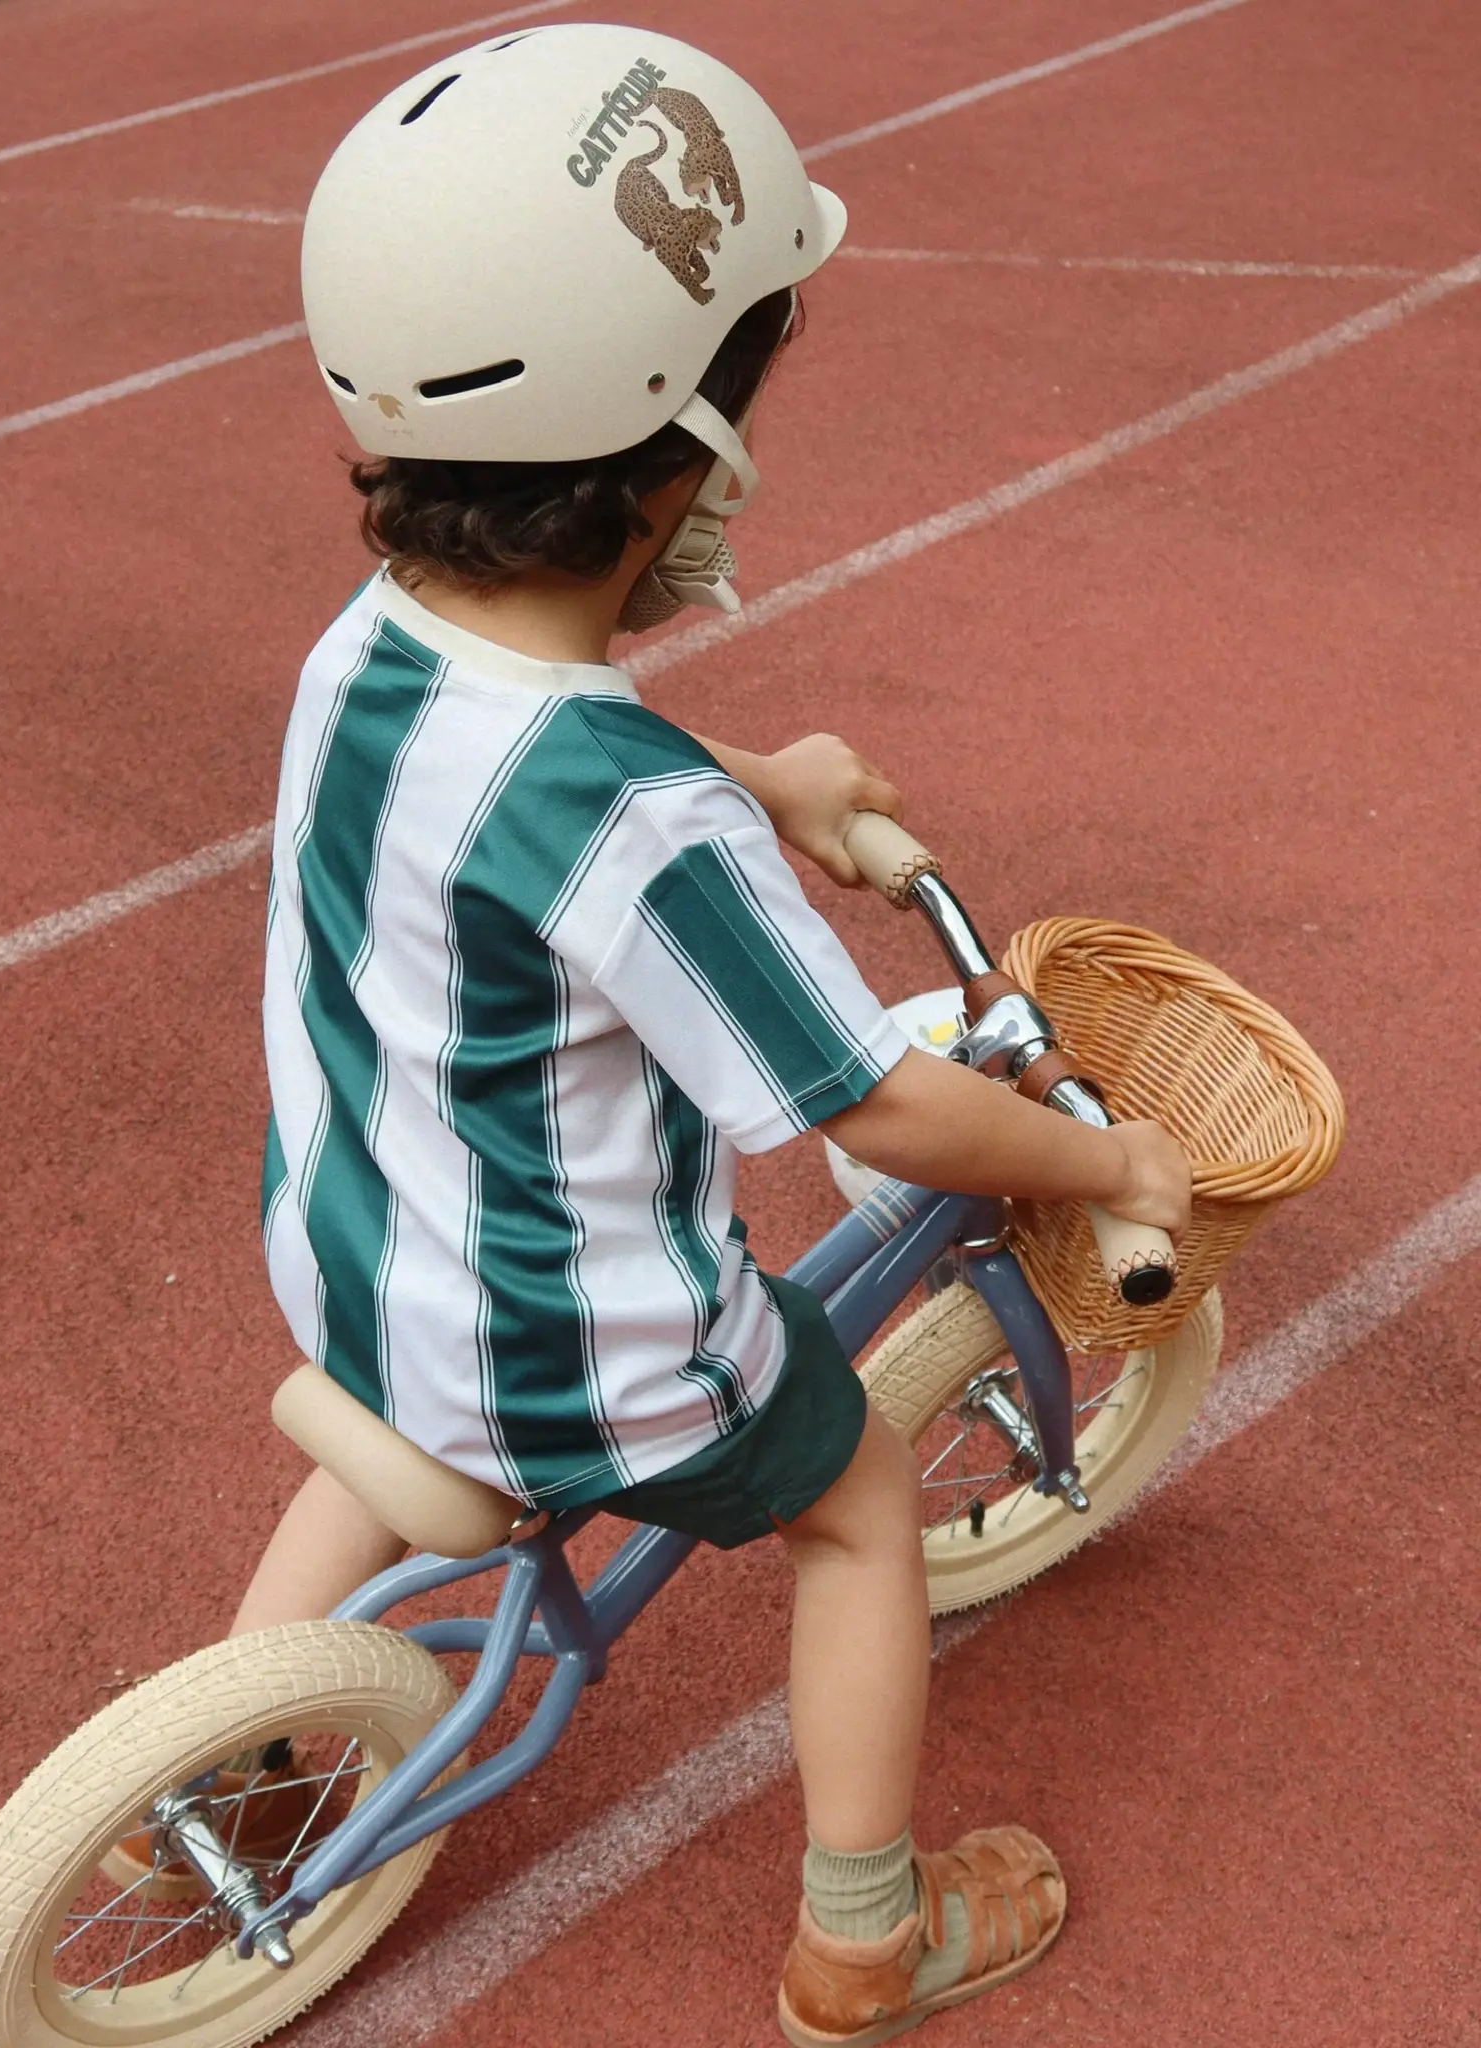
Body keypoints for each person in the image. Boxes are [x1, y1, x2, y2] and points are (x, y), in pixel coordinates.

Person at [232, 27, 1192, 2044]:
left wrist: (769, 771)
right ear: (684, 459)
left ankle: (222, 1767)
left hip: (354, 1250)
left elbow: (533, 764)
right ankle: (865, 1933)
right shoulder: (647, 830)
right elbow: (887, 1104)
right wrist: (1104, 1163)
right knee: (847, 1505)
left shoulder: (360, 652)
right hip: (588, 1358)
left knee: (400, 1413)